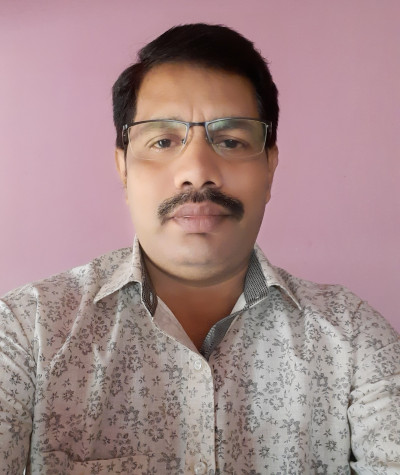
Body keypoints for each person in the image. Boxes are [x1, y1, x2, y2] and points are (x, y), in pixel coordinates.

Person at [0, 23, 399, 475]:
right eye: (163, 141)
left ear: (270, 167)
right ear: (124, 168)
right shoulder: (27, 332)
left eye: (230, 141)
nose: (197, 170)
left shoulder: (353, 338)